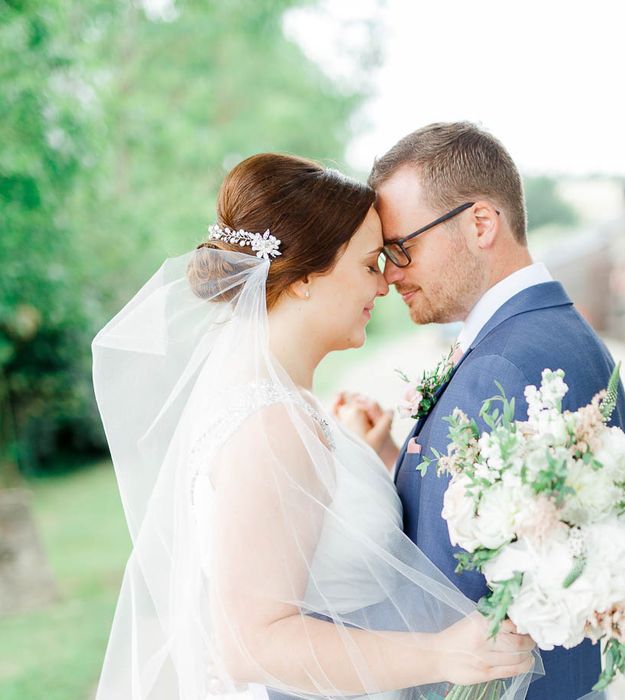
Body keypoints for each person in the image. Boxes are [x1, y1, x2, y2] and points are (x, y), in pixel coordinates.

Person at [91, 152, 539, 700]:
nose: (384, 284)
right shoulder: (268, 425)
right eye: (370, 263)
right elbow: (251, 645)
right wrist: (444, 652)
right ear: (304, 279)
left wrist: (363, 454)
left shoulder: (281, 403)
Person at [336, 122, 625, 700]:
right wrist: (395, 457)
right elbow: (498, 510)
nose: (391, 275)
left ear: (480, 223)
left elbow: (461, 578)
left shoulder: (513, 360)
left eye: (403, 248)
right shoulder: (536, 333)